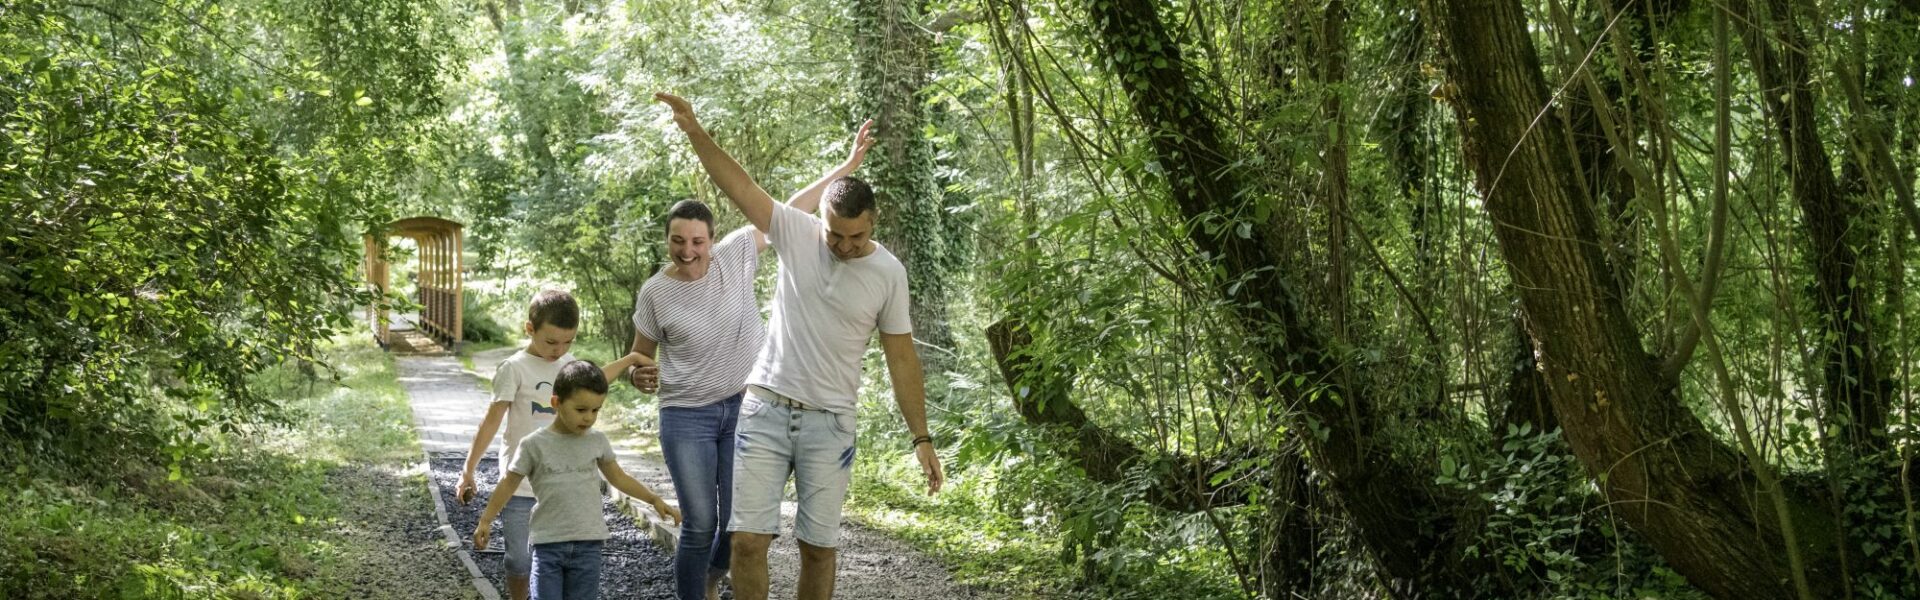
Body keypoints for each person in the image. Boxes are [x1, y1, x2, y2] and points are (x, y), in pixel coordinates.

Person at [655, 92, 943, 600]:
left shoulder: (888, 274)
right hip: (765, 408)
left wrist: (921, 437)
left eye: (856, 237)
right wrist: (696, 132)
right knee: (746, 541)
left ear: (873, 222)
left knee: (818, 549)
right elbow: (741, 186)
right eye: (836, 235)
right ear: (823, 221)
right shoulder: (797, 233)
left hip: (831, 422)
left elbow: (901, 357)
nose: (845, 246)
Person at [625, 123, 874, 600]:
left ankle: (713, 575)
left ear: (713, 240)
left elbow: (794, 208)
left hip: (744, 409)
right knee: (700, 522)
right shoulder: (656, 291)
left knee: (739, 527)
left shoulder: (737, 252)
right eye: (678, 241)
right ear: (667, 241)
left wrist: (846, 169)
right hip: (686, 416)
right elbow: (641, 358)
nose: (688, 251)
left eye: (697, 241)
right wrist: (641, 376)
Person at [473, 359, 685, 600]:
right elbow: (508, 483)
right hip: (548, 545)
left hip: (588, 545)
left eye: (596, 410)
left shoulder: (597, 441)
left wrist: (654, 499)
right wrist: (486, 520)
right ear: (556, 403)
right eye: (581, 410)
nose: (589, 418)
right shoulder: (533, 445)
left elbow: (618, 477)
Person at [455, 289, 596, 600]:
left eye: (567, 342)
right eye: (551, 341)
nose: (559, 350)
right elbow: (491, 422)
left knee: (556, 558)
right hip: (518, 484)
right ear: (529, 329)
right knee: (520, 558)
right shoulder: (514, 368)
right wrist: (469, 470)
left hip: (560, 483)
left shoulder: (571, 366)